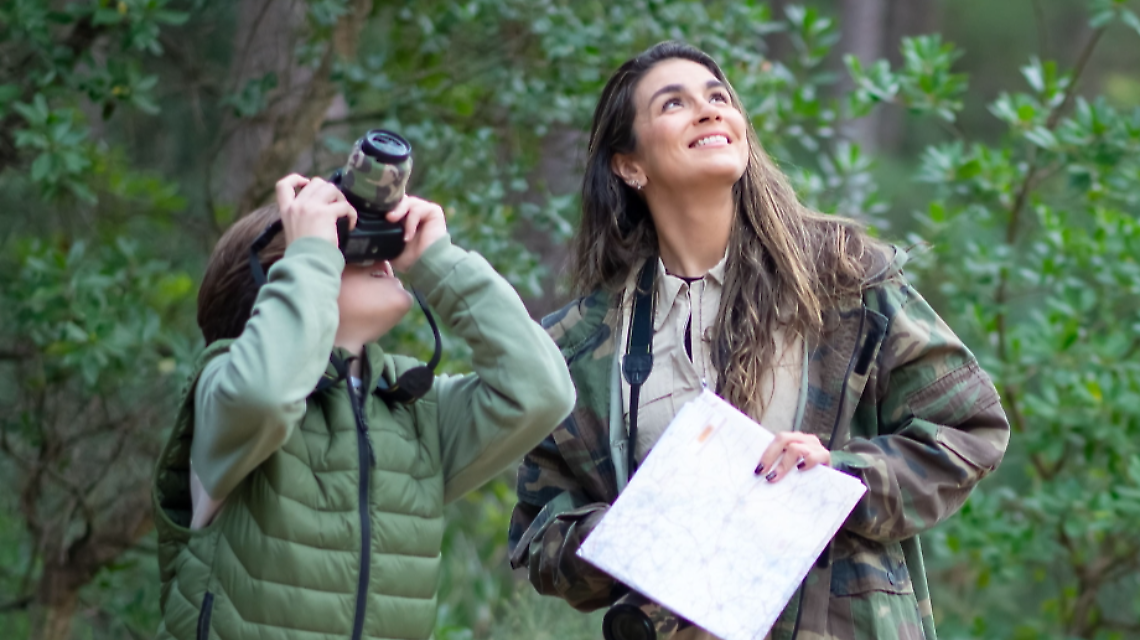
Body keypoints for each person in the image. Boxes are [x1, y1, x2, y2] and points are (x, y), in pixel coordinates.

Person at [508, 41, 1010, 640]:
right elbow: (541, 530)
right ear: (629, 166)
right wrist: (631, 534)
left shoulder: (841, 281)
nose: (709, 110)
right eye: (674, 103)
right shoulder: (581, 345)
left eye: (718, 97)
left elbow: (970, 427)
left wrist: (838, 476)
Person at [153, 174, 575, 640]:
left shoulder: (412, 409)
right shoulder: (224, 389)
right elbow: (267, 393)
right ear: (280, 279)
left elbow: (543, 390)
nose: (379, 256)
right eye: (346, 243)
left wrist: (440, 262)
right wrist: (312, 252)